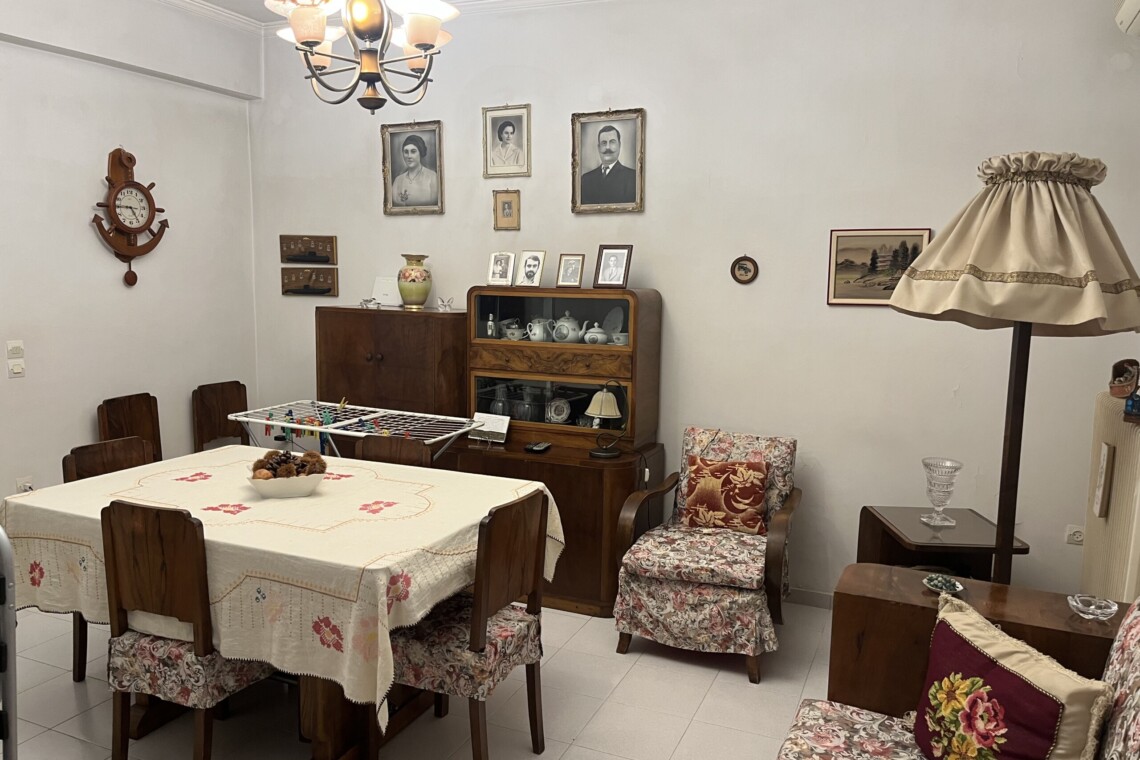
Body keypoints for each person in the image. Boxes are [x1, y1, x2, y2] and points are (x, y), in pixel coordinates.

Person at [579, 124, 636, 205]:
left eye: (612, 142)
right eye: (604, 143)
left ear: (619, 145)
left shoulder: (633, 177)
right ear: (599, 147)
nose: (608, 147)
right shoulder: (585, 179)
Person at [392, 134, 439, 207]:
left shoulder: (432, 177)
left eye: (413, 151)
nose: (409, 156)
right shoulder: (398, 180)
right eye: (406, 152)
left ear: (421, 153)